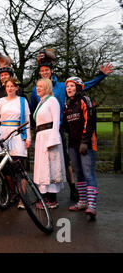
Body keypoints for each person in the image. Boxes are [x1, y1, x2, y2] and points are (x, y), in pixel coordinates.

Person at [30, 49, 113, 201]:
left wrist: (101, 76)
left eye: (47, 70)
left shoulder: (62, 87)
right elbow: (33, 111)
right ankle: (44, 192)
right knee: (42, 161)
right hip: (42, 131)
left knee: (65, 159)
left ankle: (73, 188)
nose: (44, 73)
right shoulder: (36, 90)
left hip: (59, 128)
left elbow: (84, 85)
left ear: (51, 71)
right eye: (42, 71)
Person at [0, 77, 31, 209]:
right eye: (7, 86)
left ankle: (22, 198)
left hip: (18, 134)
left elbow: (27, 120)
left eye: (12, 86)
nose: (10, 88)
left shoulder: (22, 101)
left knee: (19, 168)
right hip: (3, 135)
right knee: (6, 168)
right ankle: (12, 194)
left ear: (17, 88)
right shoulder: (1, 101)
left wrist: (28, 138)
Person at [63, 77, 99, 220]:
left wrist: (84, 141)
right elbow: (67, 127)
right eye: (67, 87)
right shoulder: (68, 105)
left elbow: (89, 120)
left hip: (87, 143)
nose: (69, 89)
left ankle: (92, 206)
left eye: (72, 86)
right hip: (72, 144)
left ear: (78, 87)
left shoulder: (85, 100)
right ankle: (83, 202)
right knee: (79, 173)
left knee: (88, 173)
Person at [33, 78, 66, 209]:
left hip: (49, 136)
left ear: (47, 87)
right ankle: (45, 196)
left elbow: (56, 121)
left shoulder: (52, 100)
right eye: (37, 86)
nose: (38, 88)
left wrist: (53, 138)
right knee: (43, 166)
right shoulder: (41, 102)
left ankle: (52, 199)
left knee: (51, 166)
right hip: (41, 136)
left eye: (41, 86)